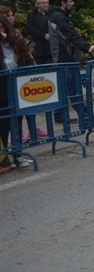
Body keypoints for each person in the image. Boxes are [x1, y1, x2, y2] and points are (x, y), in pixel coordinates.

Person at [49, 0, 94, 125]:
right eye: (70, 1)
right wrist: (87, 47)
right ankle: (83, 113)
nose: (73, 3)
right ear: (63, 3)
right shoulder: (59, 17)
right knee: (72, 88)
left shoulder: (59, 16)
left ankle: (61, 114)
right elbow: (70, 34)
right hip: (65, 57)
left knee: (65, 87)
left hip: (64, 56)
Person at [0, 14, 35, 169]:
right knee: (3, 125)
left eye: (2, 28)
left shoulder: (15, 41)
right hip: (2, 90)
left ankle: (17, 154)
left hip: (18, 87)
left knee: (17, 123)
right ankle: (4, 158)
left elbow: (28, 59)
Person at [25, 0, 52, 65]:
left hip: (50, 47)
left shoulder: (51, 14)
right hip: (38, 47)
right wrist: (43, 35)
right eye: (43, 3)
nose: (46, 4)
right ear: (37, 5)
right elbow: (30, 29)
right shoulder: (32, 15)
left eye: (47, 3)